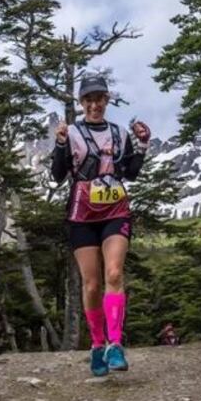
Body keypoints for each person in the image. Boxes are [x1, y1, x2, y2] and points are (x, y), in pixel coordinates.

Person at [51, 74, 151, 377]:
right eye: (89, 100)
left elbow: (130, 173)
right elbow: (57, 175)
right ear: (82, 103)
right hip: (82, 215)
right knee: (92, 284)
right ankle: (96, 345)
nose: (95, 105)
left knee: (114, 273)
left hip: (115, 211)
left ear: (107, 101)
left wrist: (143, 145)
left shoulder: (120, 133)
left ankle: (115, 344)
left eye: (100, 99)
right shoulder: (72, 133)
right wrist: (59, 144)